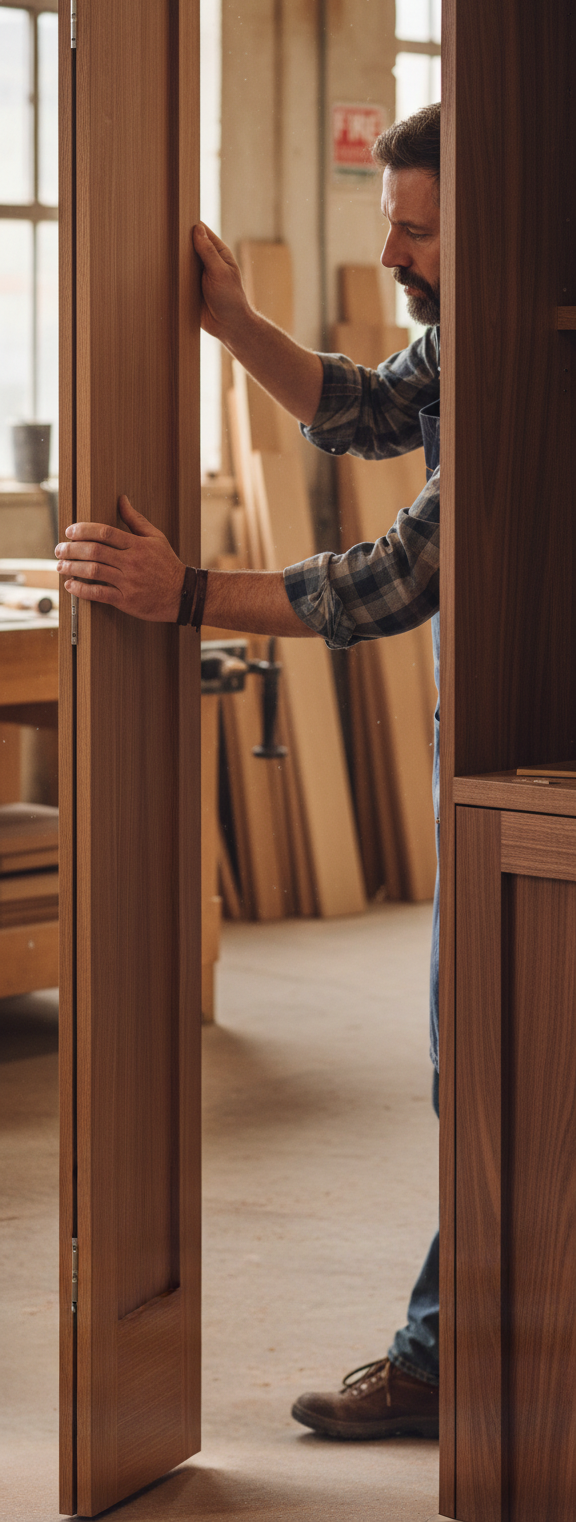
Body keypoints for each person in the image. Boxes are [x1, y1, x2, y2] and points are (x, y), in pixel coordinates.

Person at [55, 101, 441, 1443]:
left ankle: (449, 1363)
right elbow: (372, 410)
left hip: (532, 761)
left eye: (418, 228)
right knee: (490, 1068)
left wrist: (185, 594)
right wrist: (228, 320)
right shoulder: (469, 325)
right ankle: (457, 1352)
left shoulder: (539, 357)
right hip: (493, 753)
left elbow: (401, 575)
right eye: (389, 221)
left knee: (498, 1066)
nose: (393, 249)